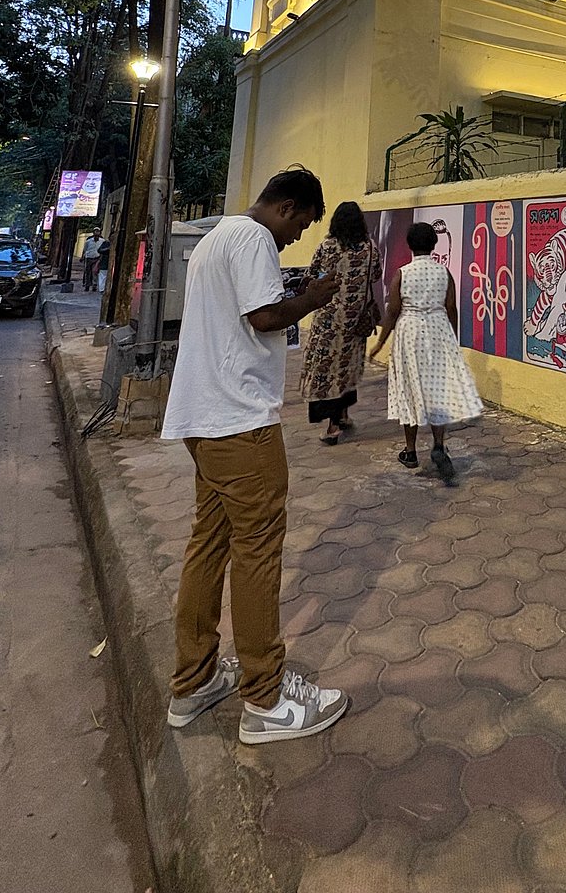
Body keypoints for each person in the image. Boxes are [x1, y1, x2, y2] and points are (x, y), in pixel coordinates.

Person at [161, 166, 348, 745]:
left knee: (209, 544)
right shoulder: (254, 238)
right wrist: (312, 296)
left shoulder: (219, 236)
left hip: (206, 418)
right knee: (258, 551)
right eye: (302, 226)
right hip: (240, 422)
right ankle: (265, 697)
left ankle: (193, 682)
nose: (297, 239)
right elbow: (264, 317)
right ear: (288, 207)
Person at [369, 220, 482, 484]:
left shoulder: (402, 273)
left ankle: (410, 451)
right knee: (437, 389)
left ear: (410, 245)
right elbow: (451, 307)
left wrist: (380, 342)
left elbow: (394, 311)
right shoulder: (444, 273)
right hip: (438, 329)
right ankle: (439, 445)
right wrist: (451, 337)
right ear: (434, 245)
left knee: (409, 388)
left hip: (410, 333)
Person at [299, 201, 382, 442]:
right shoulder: (369, 248)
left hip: (327, 320)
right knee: (347, 369)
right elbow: (376, 274)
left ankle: (332, 427)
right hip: (356, 322)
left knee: (327, 369)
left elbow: (311, 274)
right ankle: (343, 415)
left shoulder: (326, 246)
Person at [81, 226, 103, 291]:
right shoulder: (88, 241)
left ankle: (94, 285)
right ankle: (87, 285)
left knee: (95, 272)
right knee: (87, 272)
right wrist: (83, 257)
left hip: (97, 258)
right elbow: (85, 249)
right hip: (89, 258)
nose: (97, 233)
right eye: (95, 231)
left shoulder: (102, 241)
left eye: (98, 231)